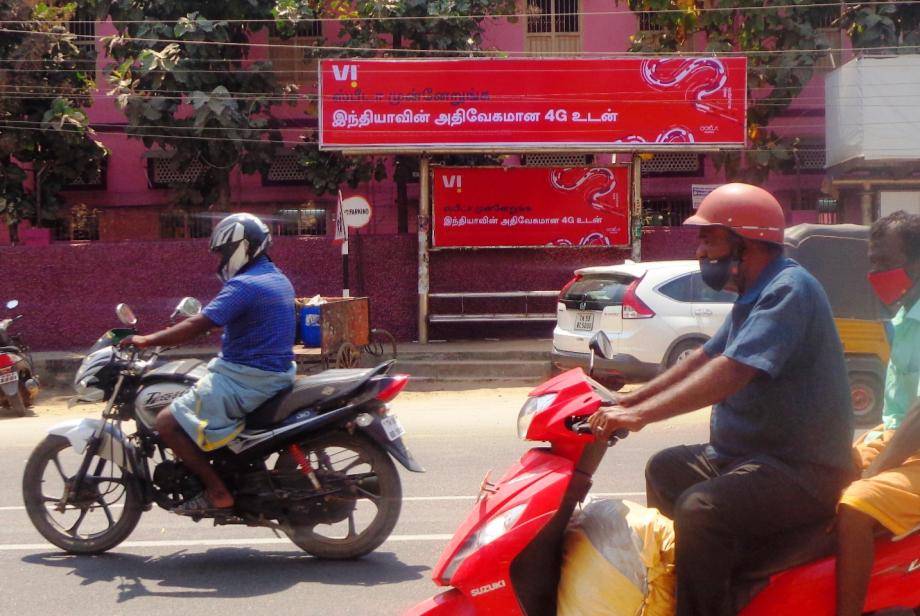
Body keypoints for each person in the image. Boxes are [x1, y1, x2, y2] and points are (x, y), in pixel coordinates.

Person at [589, 183, 854, 616]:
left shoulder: (789, 290)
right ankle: (698, 586)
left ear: (744, 242)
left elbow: (731, 371)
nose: (700, 251)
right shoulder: (754, 295)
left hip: (802, 469)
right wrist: (628, 403)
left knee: (702, 509)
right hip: (751, 456)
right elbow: (702, 358)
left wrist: (640, 416)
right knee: (666, 469)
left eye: (708, 238)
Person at [120, 213, 296, 515]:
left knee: (166, 422)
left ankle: (217, 492)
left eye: (224, 252)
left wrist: (148, 340)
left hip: (247, 378)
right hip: (270, 373)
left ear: (242, 247)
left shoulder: (245, 285)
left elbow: (200, 323)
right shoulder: (276, 276)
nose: (220, 260)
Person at [836, 211, 920, 616]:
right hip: (894, 438)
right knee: (818, 472)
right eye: (871, 263)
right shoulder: (906, 314)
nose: (875, 273)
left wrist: (875, 471)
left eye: (884, 263)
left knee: (855, 504)